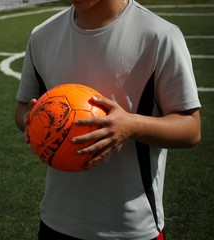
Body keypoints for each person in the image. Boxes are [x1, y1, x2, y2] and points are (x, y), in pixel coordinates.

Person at [14, 0, 201, 239]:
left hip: (131, 227)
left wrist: (132, 126)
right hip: (57, 221)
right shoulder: (42, 35)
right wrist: (33, 120)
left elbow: (191, 128)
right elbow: (22, 108)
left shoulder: (159, 36)